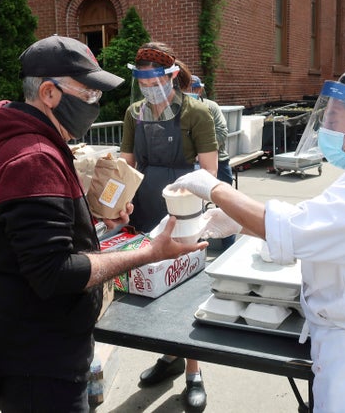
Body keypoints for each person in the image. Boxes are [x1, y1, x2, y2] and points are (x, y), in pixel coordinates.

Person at [169, 65, 345, 412]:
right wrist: (237, 223)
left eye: (337, 118)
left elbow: (292, 229)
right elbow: (320, 226)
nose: (328, 128)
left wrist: (214, 188)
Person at [0, 35, 207, 412]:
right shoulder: (33, 157)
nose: (95, 103)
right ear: (49, 93)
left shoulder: (29, 143)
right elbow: (55, 272)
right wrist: (149, 252)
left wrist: (96, 220)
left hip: (33, 346)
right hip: (41, 359)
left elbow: (36, 234)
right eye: (89, 93)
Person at [120, 42, 218, 412]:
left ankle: (193, 369)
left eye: (153, 80)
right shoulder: (134, 113)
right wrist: (117, 200)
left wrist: (182, 194)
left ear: (171, 76)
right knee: (154, 282)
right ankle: (169, 356)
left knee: (186, 289)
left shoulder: (197, 112)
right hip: (145, 205)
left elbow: (209, 171)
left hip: (185, 207)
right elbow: (126, 164)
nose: (148, 88)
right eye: (141, 82)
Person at [188, 74, 235, 250]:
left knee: (225, 202)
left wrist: (201, 150)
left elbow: (222, 132)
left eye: (192, 89)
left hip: (218, 161)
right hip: (189, 164)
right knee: (191, 207)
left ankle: (228, 244)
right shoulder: (181, 108)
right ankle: (196, 244)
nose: (188, 93)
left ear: (199, 89)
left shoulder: (211, 107)